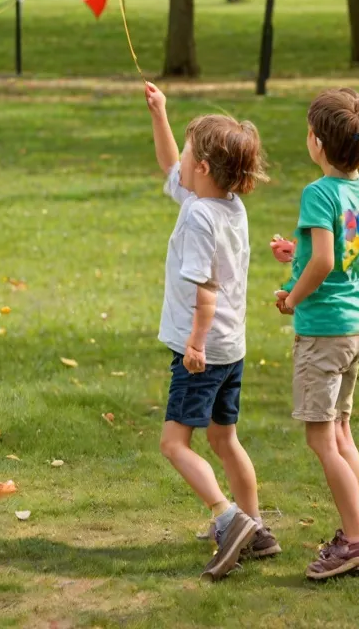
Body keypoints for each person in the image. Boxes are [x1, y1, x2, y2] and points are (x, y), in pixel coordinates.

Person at [144, 80, 279, 581]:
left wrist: (193, 344)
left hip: (201, 348)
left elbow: (204, 289)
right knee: (225, 439)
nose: (178, 159)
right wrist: (160, 113)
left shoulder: (198, 215)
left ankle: (227, 517)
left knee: (174, 444)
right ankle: (257, 526)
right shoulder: (227, 205)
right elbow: (168, 166)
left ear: (200, 168)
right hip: (232, 347)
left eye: (187, 152)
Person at [271, 88, 359, 580]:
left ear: (317, 142)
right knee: (341, 431)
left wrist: (292, 297)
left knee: (321, 438)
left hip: (323, 331)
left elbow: (323, 261)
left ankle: (357, 543)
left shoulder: (318, 193)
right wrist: (292, 253)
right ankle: (356, 526)